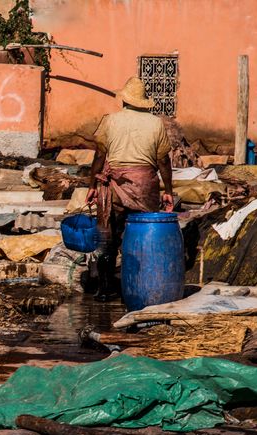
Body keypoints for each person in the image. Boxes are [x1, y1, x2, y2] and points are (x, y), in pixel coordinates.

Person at [86, 76, 174, 301]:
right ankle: (138, 290)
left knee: (108, 238)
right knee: (140, 236)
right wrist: (168, 191)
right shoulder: (156, 123)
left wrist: (92, 185)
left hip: (113, 186)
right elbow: (163, 161)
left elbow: (99, 155)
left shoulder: (110, 121)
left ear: (124, 100)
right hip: (144, 185)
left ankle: (105, 290)